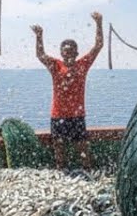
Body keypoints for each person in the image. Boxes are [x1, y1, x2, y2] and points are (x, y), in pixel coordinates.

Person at [33, 11, 104, 171]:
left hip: (77, 115)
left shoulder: (83, 65)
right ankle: (61, 171)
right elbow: (40, 55)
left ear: (77, 53)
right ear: (61, 53)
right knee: (58, 148)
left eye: (71, 50)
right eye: (66, 51)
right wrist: (39, 36)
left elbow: (98, 46)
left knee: (83, 149)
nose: (69, 53)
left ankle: (88, 171)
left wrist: (99, 23)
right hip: (58, 115)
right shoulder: (55, 65)